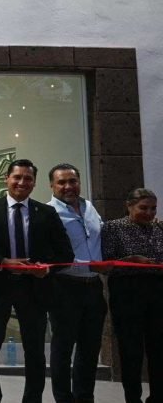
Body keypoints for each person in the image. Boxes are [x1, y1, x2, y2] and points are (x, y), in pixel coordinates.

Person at [0, 159, 74, 403]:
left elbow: (66, 255)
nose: (22, 182)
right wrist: (3, 262)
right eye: (17, 177)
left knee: (36, 350)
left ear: (34, 183)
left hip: (35, 290)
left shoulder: (47, 213)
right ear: (6, 179)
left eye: (27, 178)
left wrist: (46, 269)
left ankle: (32, 398)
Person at [46, 164, 107, 403]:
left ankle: (84, 398)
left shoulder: (89, 207)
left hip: (93, 287)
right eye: (62, 182)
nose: (68, 186)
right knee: (62, 350)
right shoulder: (48, 212)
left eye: (73, 181)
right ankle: (63, 399)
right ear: (52, 185)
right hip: (64, 288)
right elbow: (49, 255)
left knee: (90, 350)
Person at [101, 188, 163, 403]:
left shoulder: (159, 227)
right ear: (129, 206)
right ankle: (132, 398)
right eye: (143, 208)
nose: (149, 213)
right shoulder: (113, 228)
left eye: (153, 208)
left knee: (158, 349)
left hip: (157, 291)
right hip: (127, 292)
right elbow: (106, 262)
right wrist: (132, 259)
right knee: (131, 351)